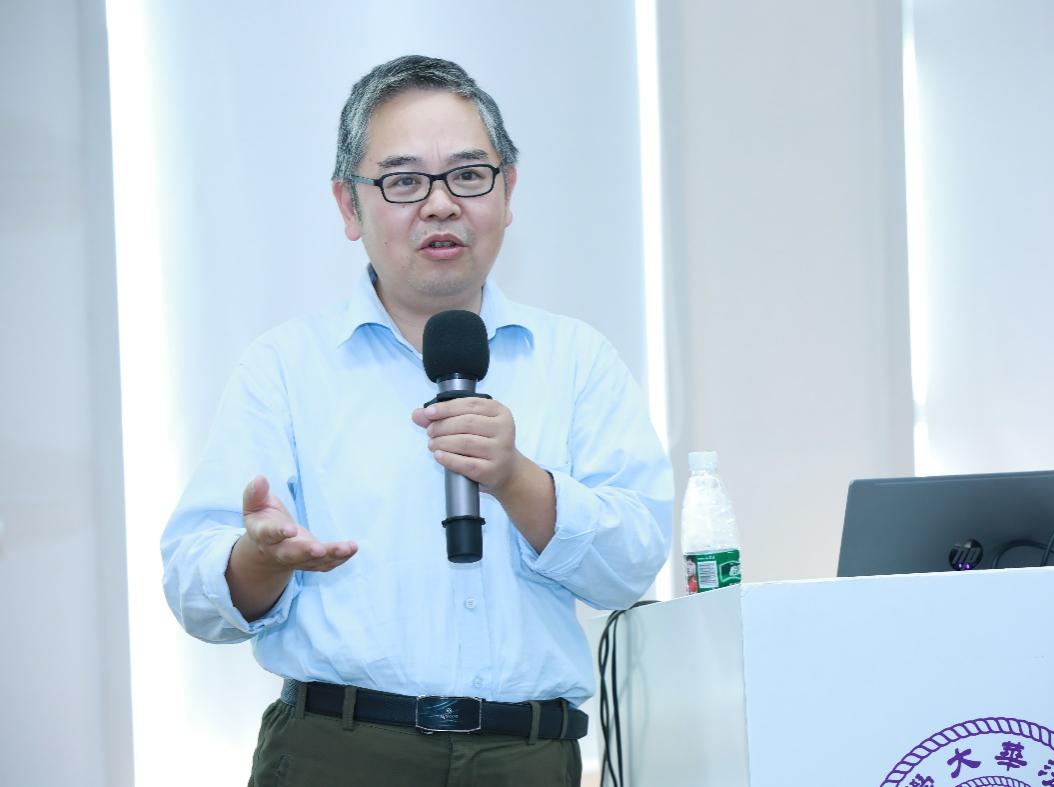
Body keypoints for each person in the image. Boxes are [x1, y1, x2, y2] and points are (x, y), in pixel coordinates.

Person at [160, 55, 672, 786]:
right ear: (349, 206)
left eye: (468, 175)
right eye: (403, 182)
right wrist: (261, 560)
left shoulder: (577, 360)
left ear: (508, 189)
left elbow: (631, 566)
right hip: (336, 754)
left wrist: (519, 480)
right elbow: (193, 591)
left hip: (526, 757)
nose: (440, 205)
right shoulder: (285, 367)